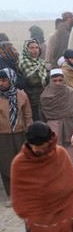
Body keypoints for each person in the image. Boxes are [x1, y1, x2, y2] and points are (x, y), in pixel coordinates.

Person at [40, 69, 73, 177]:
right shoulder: (45, 96)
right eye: (55, 80)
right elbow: (44, 115)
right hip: (54, 127)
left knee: (72, 155)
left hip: (70, 127)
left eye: (60, 80)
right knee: (55, 153)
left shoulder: (71, 92)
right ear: (50, 81)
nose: (58, 83)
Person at [0, 68, 34, 202]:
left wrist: (30, 133)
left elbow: (28, 116)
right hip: (3, 136)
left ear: (11, 80)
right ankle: (11, 194)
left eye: (4, 80)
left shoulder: (21, 95)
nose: (1, 83)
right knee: (5, 164)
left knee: (23, 164)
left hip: (21, 134)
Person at [19, 39, 49, 121]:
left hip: (44, 97)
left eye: (37, 47)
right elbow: (32, 81)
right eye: (32, 48)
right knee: (37, 120)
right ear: (26, 49)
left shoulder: (41, 62)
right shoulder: (23, 63)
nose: (35, 50)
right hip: (32, 98)